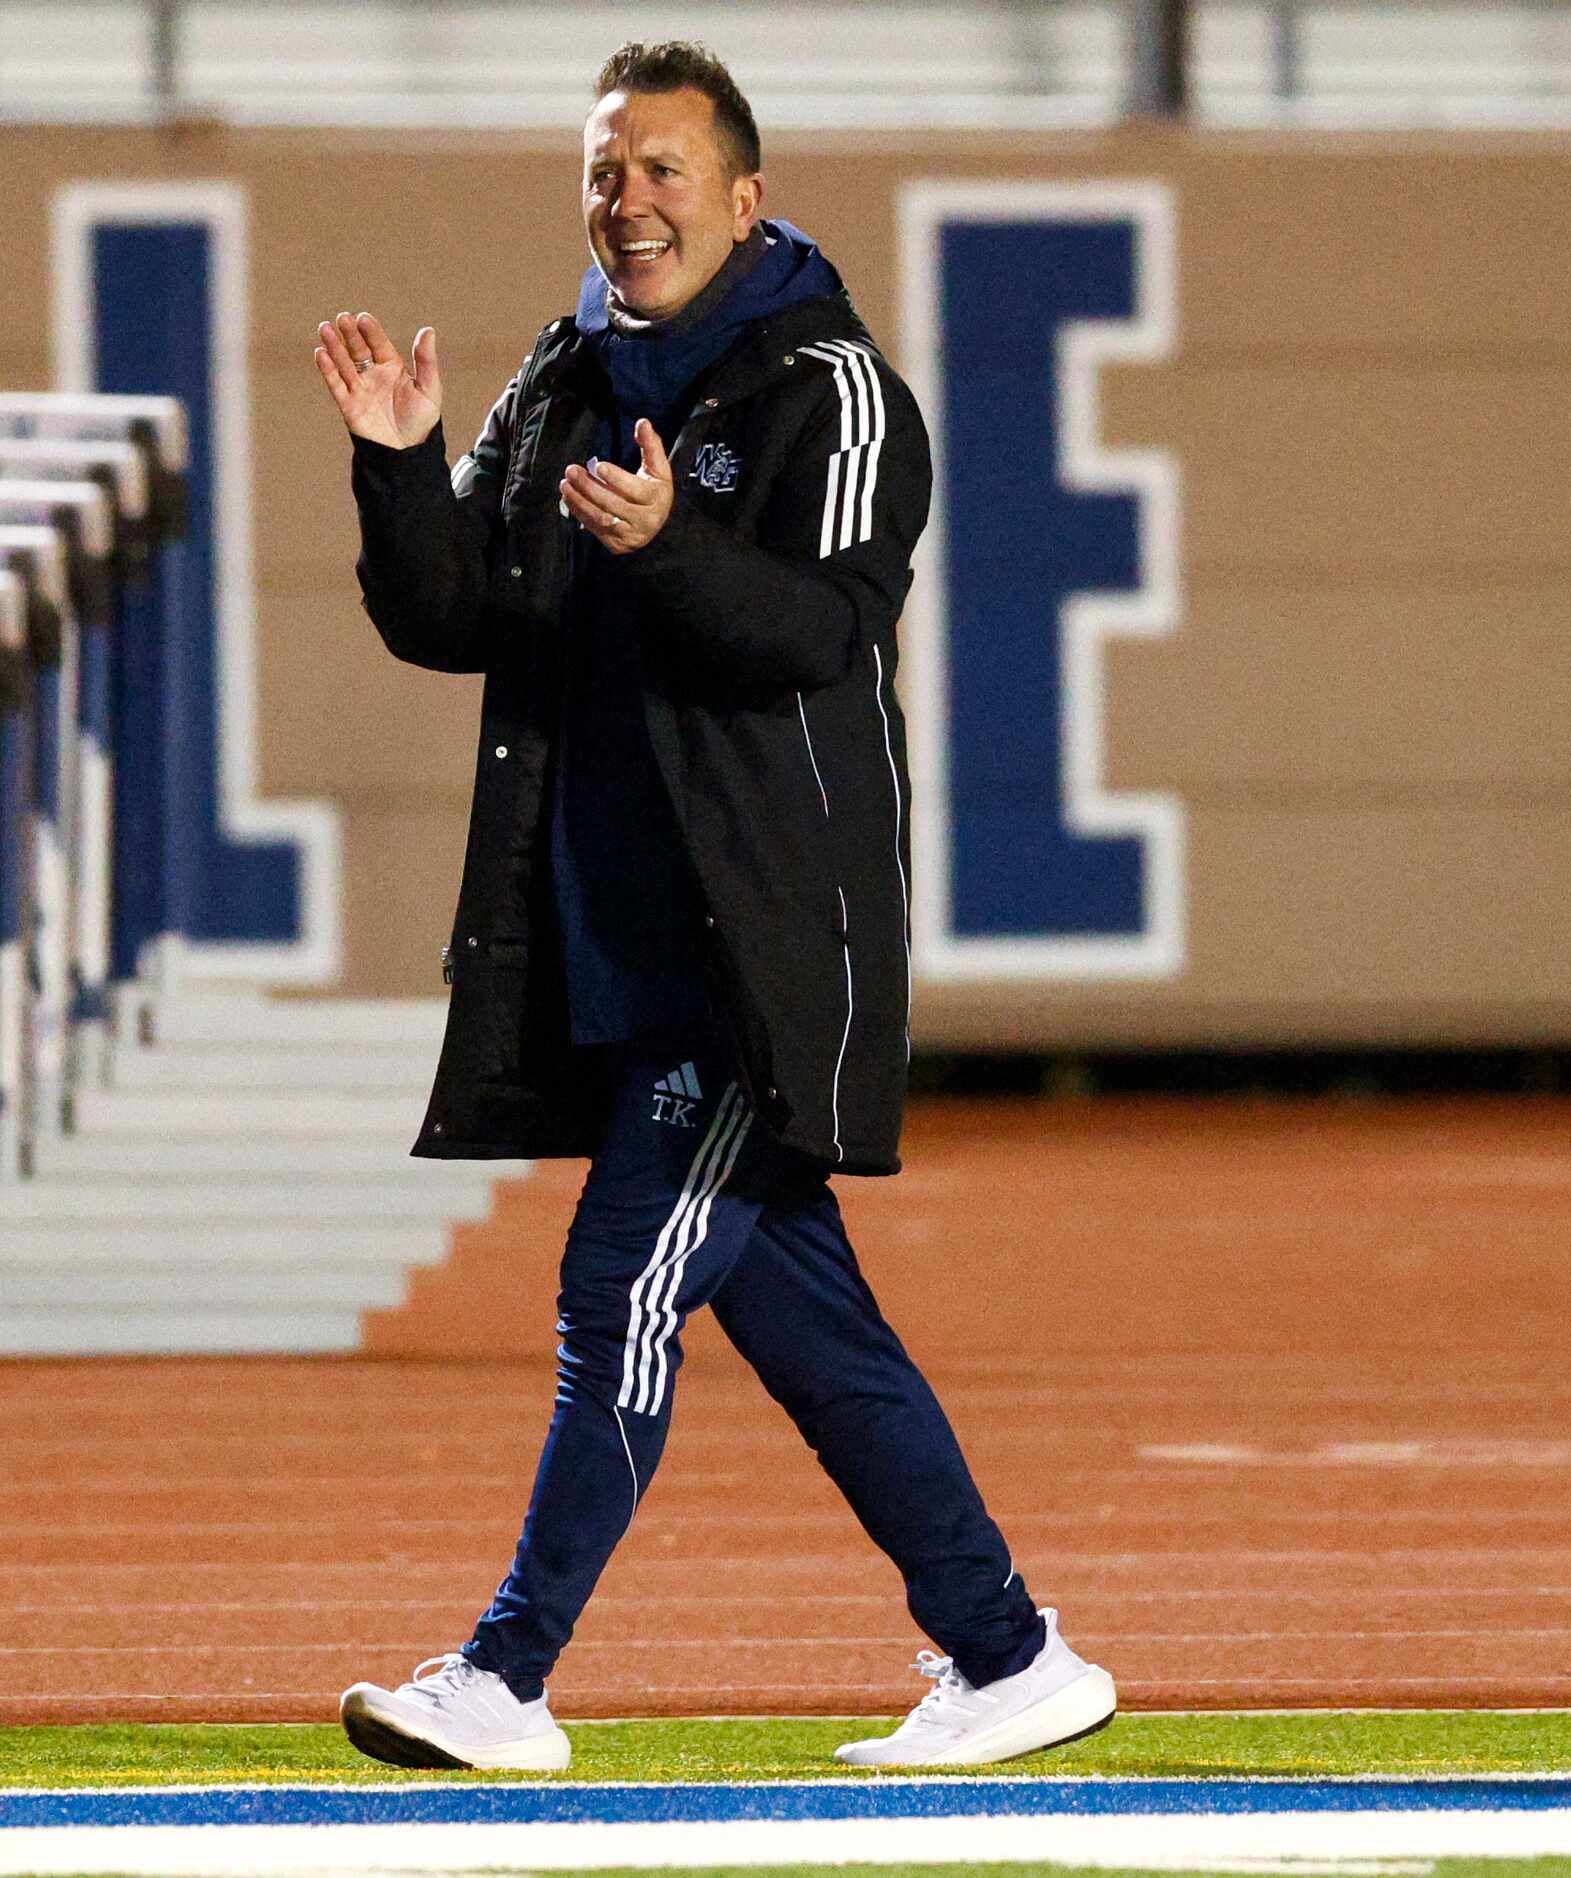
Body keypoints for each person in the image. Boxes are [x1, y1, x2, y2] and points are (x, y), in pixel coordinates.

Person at [311, 40, 1115, 1774]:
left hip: (758, 958)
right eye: (607, 168)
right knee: (808, 1324)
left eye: (666, 169)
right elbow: (462, 617)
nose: (629, 200)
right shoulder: (563, 372)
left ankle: (505, 1673)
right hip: (619, 945)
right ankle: (1007, 1650)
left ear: (747, 197)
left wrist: (671, 542)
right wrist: (400, 464)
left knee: (619, 1279)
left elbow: (821, 634)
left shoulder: (832, 388)